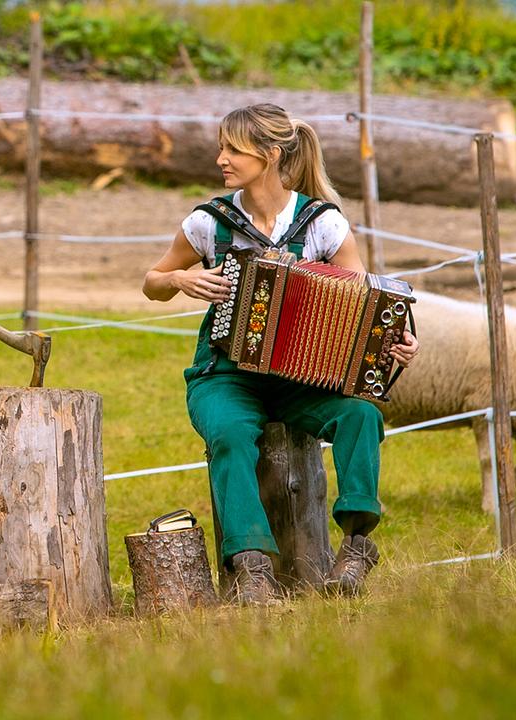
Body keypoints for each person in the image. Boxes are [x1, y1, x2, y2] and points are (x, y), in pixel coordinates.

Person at [142, 103, 419, 603]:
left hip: (301, 383)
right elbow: (152, 282)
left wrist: (396, 340)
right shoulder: (209, 222)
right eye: (222, 146)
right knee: (228, 434)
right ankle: (252, 569)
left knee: (360, 413)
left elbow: (365, 304)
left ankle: (356, 549)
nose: (221, 158)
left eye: (233, 148)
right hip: (225, 375)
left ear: (269, 155)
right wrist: (180, 278)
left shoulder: (322, 224)